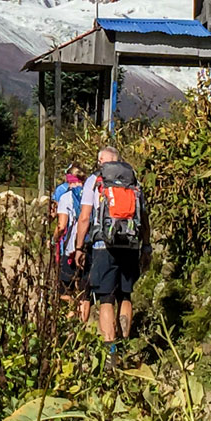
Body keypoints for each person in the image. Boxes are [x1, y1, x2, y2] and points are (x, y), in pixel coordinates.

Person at [73, 146, 150, 366]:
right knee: (125, 296)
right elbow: (144, 217)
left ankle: (110, 353)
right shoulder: (133, 180)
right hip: (131, 245)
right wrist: (146, 247)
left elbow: (85, 217)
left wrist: (79, 247)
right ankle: (124, 347)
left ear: (101, 160)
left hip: (102, 245)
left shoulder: (95, 180)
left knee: (106, 298)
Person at [51, 164, 91, 321]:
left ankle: (69, 320)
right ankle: (82, 325)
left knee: (65, 289)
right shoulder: (92, 195)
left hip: (70, 249)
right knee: (84, 292)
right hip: (89, 247)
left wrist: (53, 239)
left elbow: (61, 226)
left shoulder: (66, 197)